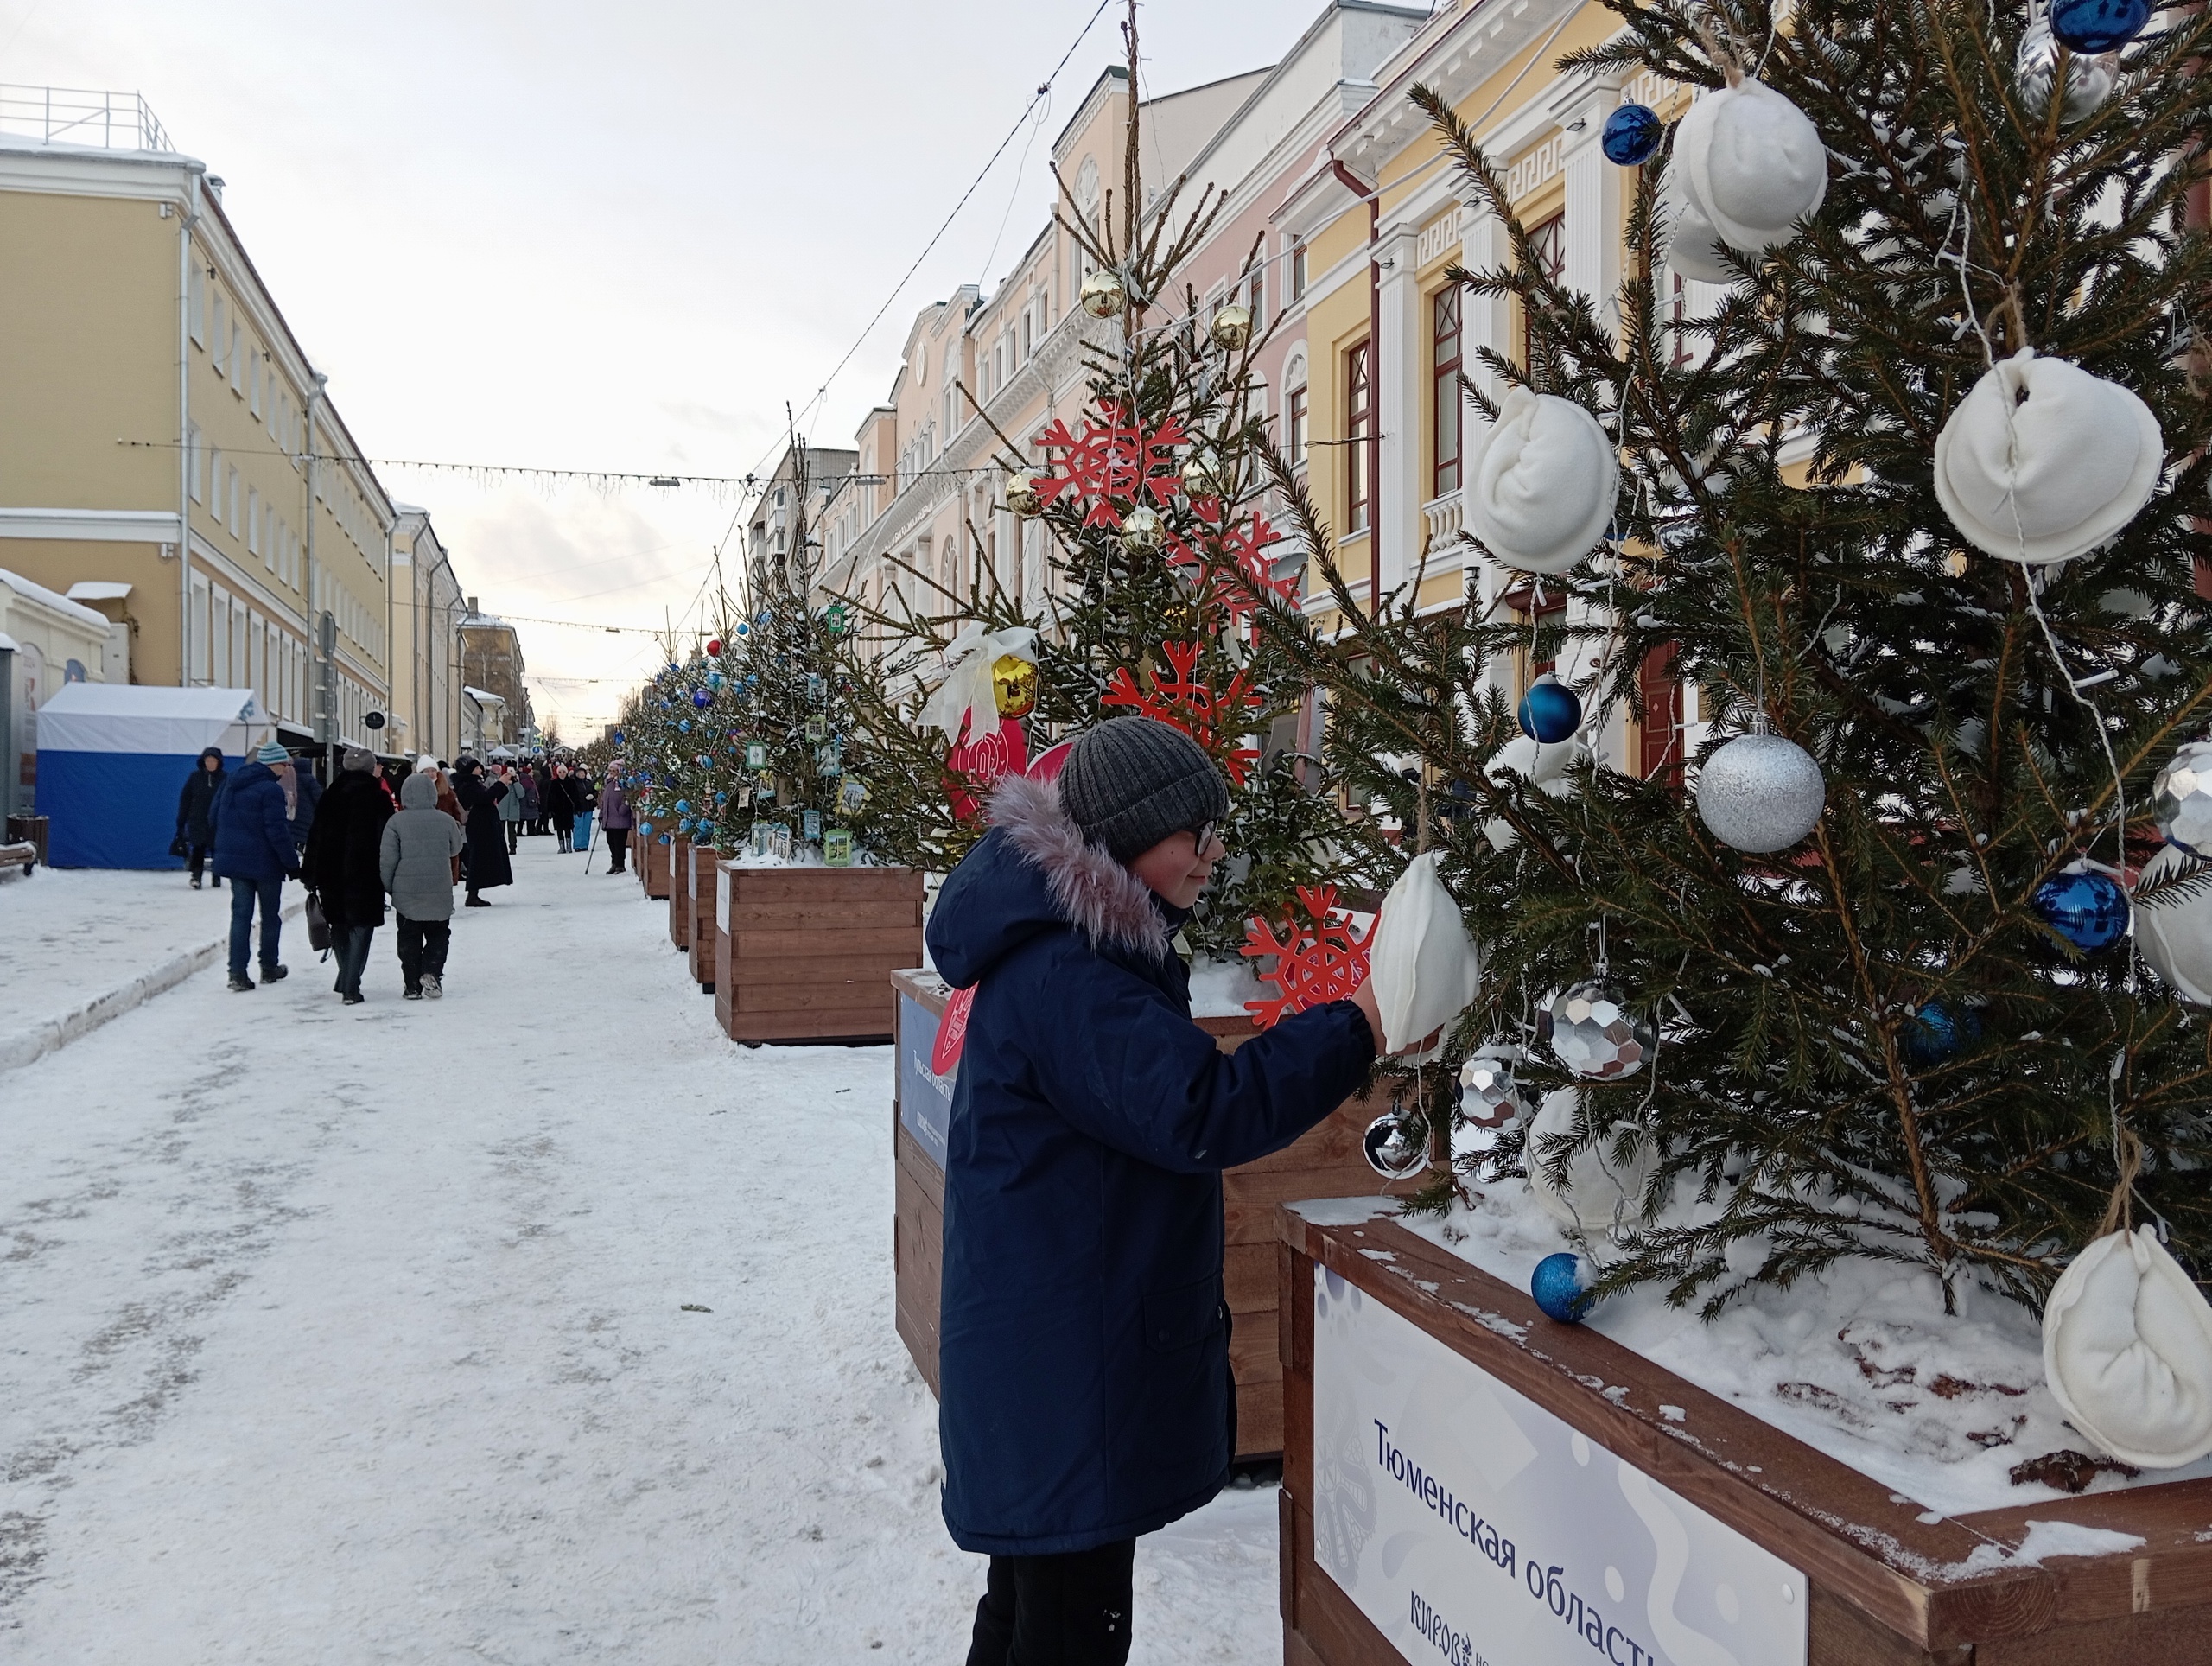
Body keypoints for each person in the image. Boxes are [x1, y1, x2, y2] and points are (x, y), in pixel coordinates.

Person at [924, 719, 1388, 1666]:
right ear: (1129, 835)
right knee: (1067, 1620)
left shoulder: (1071, 941)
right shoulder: (1071, 971)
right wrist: (1359, 1026)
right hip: (1065, 1360)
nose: (1213, 855)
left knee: (1031, 1597)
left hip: (1046, 1347)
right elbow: (1202, 1107)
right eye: (1194, 833)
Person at [302, 747, 395, 1005]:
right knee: (362, 928)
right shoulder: (378, 797)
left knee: (340, 926)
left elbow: (316, 835)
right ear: (369, 768)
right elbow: (386, 840)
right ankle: (351, 986)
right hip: (366, 873)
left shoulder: (330, 796)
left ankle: (346, 978)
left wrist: (310, 872)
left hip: (331, 874)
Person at [209, 739, 302, 991]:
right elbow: (277, 831)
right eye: (285, 764)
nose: (286, 770)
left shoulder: (232, 783)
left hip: (236, 863)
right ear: (275, 764)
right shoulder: (270, 791)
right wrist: (292, 864)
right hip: (265, 864)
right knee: (270, 917)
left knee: (240, 916)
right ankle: (269, 967)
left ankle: (237, 973)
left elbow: (213, 816)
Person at [381, 769, 467, 999]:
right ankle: (431, 969)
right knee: (439, 933)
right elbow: (456, 848)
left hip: (406, 891)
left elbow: (388, 858)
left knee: (409, 937)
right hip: (438, 887)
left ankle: (411, 985)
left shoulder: (395, 822)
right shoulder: (446, 820)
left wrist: (389, 886)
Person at [450, 757, 512, 906]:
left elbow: (490, 799)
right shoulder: (467, 785)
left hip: (484, 825)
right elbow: (484, 798)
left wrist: (502, 787)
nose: (481, 769)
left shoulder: (473, 783)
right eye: (477, 767)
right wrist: (500, 784)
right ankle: (472, 895)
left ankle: (474, 893)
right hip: (479, 826)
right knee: (477, 859)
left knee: (481, 859)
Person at [175, 745, 227, 891]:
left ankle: (217, 876)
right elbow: (185, 799)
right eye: (207, 761)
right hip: (197, 819)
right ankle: (196, 876)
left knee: (218, 848)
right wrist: (181, 820)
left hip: (217, 820)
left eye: (213, 761)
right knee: (198, 848)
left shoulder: (225, 778)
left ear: (219, 762)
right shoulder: (195, 777)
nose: (210, 764)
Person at [284, 749, 324, 861]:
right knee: (303, 836)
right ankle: (300, 850)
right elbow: (319, 798)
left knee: (293, 833)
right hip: (307, 816)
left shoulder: (290, 780)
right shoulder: (310, 780)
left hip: (293, 813)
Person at [598, 766, 632, 874]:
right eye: (611, 770)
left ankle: (620, 864)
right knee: (611, 841)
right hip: (609, 819)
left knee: (619, 843)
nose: (612, 773)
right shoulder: (608, 783)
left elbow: (628, 798)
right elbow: (604, 801)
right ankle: (614, 863)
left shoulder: (624, 783)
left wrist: (622, 810)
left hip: (620, 819)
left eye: (615, 771)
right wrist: (601, 813)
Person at [546, 761, 576, 852]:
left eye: (563, 772)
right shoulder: (554, 783)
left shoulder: (571, 782)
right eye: (560, 772)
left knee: (568, 828)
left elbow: (576, 795)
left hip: (568, 809)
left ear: (566, 773)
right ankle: (561, 847)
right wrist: (550, 810)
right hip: (557, 810)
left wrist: (577, 807)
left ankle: (568, 846)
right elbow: (549, 797)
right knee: (559, 829)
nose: (562, 774)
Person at [567, 765, 596, 854]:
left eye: (583, 773)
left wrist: (593, 795)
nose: (582, 774)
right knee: (578, 827)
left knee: (586, 827)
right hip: (578, 808)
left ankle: (585, 844)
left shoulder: (588, 782)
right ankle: (577, 845)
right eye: (580, 773)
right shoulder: (573, 783)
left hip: (588, 807)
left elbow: (594, 791)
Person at [497, 762, 524, 855]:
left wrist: (516, 782)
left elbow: (521, 794)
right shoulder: (500, 784)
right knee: (500, 832)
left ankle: (513, 848)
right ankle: (500, 848)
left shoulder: (515, 785)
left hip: (513, 811)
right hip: (501, 811)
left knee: (512, 831)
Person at [518, 763, 543, 837]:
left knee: (523, 818)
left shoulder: (525, 780)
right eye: (531, 772)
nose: (532, 773)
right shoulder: (528, 781)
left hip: (525, 802)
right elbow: (530, 792)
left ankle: (521, 831)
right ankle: (530, 831)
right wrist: (533, 800)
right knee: (531, 818)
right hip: (529, 802)